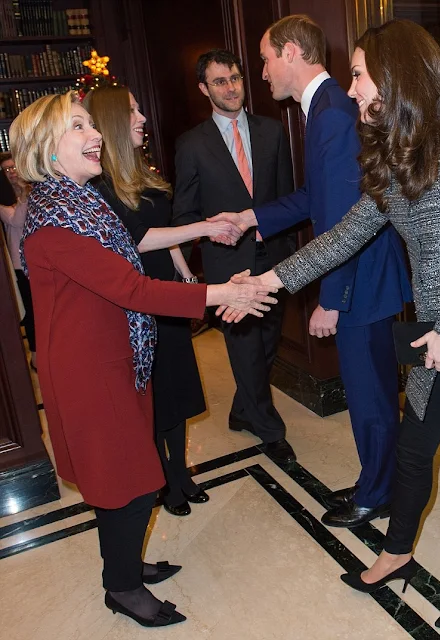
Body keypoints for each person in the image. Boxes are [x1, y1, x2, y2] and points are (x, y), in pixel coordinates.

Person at [223, 20, 440, 630]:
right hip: (437, 335)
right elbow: (347, 234)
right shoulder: (393, 146)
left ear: (397, 71)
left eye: (358, 74)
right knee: (411, 456)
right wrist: (267, 283)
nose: (351, 89)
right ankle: (398, 551)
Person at [11, 91, 277, 628]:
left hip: (113, 361)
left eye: (93, 124)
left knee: (128, 481)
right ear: (46, 148)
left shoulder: (80, 204)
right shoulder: (58, 220)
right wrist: (220, 293)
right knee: (127, 486)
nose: (97, 135)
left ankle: (125, 569)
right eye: (79, 127)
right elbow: (132, 288)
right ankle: (123, 588)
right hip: (92, 374)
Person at [209, 15, 412, 528]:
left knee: (371, 398)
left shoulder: (332, 116)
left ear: (293, 52)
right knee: (370, 394)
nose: (261, 71)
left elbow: (348, 219)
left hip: (361, 282)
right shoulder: (321, 110)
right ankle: (377, 481)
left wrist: (330, 298)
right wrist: (251, 217)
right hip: (358, 278)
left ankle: (379, 493)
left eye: (265, 58)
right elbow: (316, 198)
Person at [83, 86, 231, 517]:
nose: (142, 117)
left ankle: (180, 473)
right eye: (131, 110)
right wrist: (202, 228)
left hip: (166, 290)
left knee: (178, 386)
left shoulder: (139, 169)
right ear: (111, 120)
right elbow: (139, 238)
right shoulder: (100, 182)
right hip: (137, 298)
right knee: (154, 392)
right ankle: (163, 478)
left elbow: (160, 226)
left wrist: (183, 267)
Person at [172, 49, 297, 464]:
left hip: (275, 259)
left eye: (236, 78)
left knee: (267, 346)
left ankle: (243, 411)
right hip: (229, 269)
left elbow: (285, 199)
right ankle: (270, 430)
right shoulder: (192, 145)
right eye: (220, 82)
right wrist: (203, 250)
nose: (231, 88)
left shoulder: (272, 131)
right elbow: (184, 216)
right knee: (245, 348)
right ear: (204, 89)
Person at [0, 152, 36, 369]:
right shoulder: (5, 202)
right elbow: (16, 218)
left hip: (38, 260)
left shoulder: (31, 193)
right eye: (6, 170)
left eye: (14, 167)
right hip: (19, 265)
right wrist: (26, 195)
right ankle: (35, 355)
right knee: (30, 313)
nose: (12, 173)